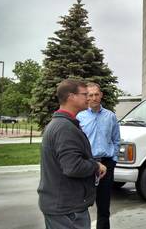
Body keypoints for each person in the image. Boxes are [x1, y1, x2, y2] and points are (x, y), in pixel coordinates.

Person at [38, 79, 107, 229]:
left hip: (62, 206)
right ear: (71, 97)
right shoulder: (65, 128)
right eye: (84, 94)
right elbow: (73, 167)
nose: (88, 98)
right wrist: (95, 165)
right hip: (68, 211)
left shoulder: (61, 124)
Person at [77, 82, 121, 229]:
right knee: (81, 205)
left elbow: (116, 139)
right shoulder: (79, 117)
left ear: (101, 95)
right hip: (87, 165)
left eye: (96, 94)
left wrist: (113, 159)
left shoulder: (110, 116)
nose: (94, 98)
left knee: (103, 207)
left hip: (107, 165)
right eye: (90, 95)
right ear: (86, 97)